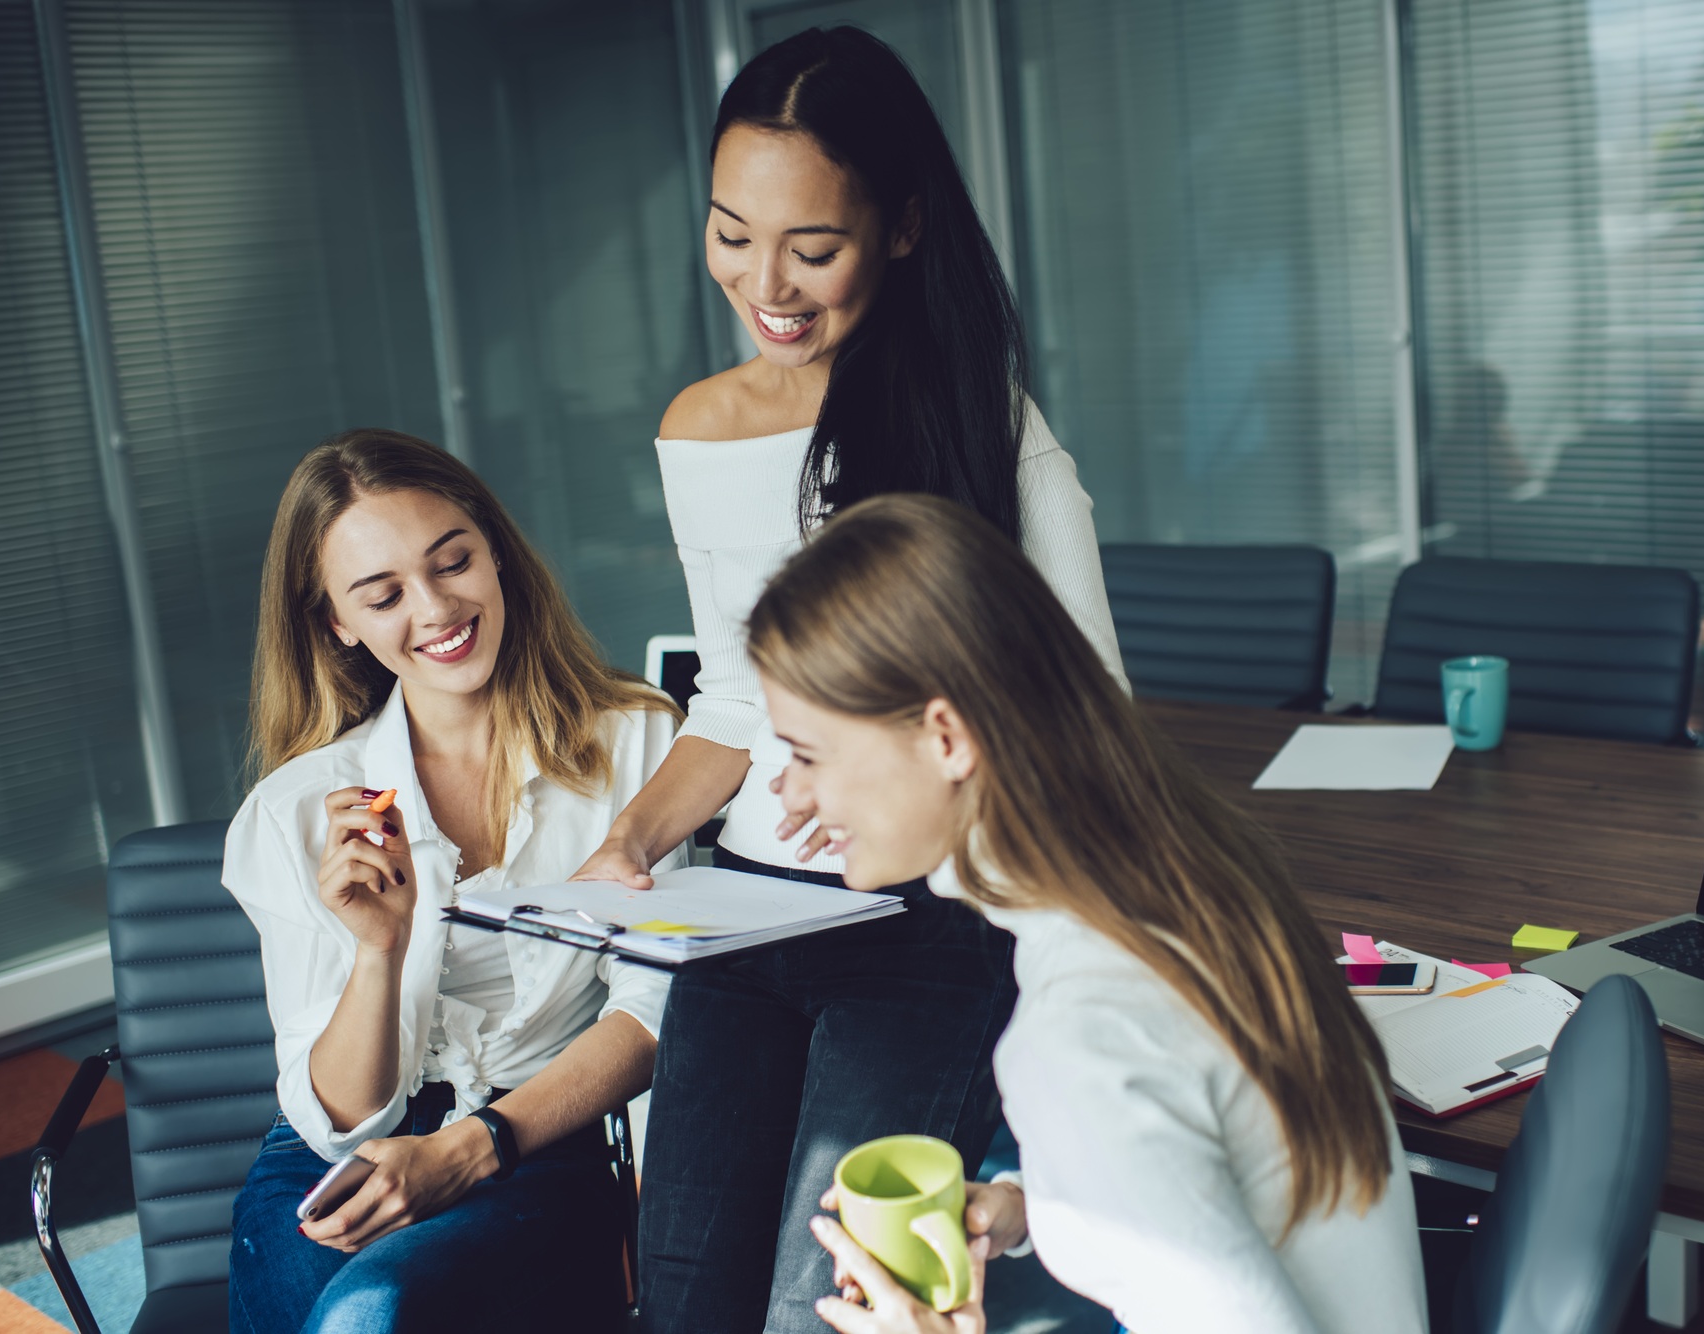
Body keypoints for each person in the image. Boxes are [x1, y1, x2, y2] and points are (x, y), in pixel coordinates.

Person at [564, 26, 1125, 1333]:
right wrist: (634, 838)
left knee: (833, 1308)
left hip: (924, 918)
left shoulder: (987, 433)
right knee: (686, 1302)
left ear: (904, 228)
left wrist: (906, 769)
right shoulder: (695, 429)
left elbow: (1089, 723)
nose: (766, 282)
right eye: (730, 233)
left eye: (812, 248)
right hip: (740, 916)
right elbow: (738, 700)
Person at [748, 495, 1428, 1334]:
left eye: (808, 753)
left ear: (947, 737)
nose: (791, 792)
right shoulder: (1180, 867)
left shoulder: (1081, 1034)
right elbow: (1207, 1145)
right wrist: (1045, 1204)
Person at [223, 429, 688, 1333]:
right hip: (333, 1151)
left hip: (539, 1138)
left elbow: (655, 1012)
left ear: (496, 553)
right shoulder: (296, 810)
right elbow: (341, 1123)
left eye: (452, 561)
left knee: (366, 1316)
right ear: (337, 623)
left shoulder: (640, 743)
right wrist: (379, 949)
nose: (436, 608)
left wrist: (474, 1148)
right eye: (383, 593)